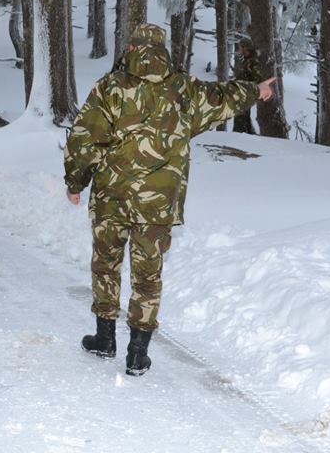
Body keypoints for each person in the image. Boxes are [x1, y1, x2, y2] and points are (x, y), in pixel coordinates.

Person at [63, 24, 276, 376]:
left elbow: (85, 139)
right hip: (158, 203)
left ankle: (104, 339)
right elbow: (223, 98)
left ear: (131, 47)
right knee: (148, 275)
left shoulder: (110, 87)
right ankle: (136, 353)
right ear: (163, 50)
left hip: (111, 197)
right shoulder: (183, 90)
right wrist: (256, 89)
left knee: (106, 265)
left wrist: (76, 181)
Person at [233, 37, 263, 134]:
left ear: (245, 48)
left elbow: (256, 79)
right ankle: (245, 136)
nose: (239, 49)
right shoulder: (246, 60)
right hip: (242, 94)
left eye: (241, 47)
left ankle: (240, 137)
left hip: (246, 94)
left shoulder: (253, 61)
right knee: (241, 117)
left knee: (241, 118)